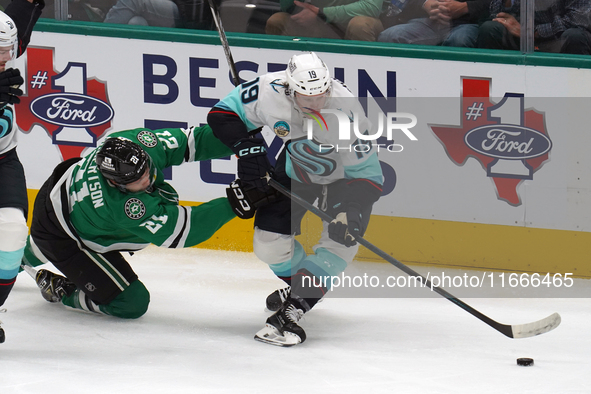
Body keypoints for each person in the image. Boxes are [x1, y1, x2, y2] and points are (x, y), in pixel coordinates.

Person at [207, 52, 384, 346]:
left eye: (322, 95)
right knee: (267, 244)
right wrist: (247, 146)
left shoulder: (347, 110)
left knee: (343, 240)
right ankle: (304, 288)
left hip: (345, 179)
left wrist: (350, 211)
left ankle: (298, 304)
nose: (316, 104)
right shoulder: (268, 90)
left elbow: (368, 175)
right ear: (290, 89)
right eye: (307, 98)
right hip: (296, 170)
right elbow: (222, 113)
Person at [22, 125, 243, 319]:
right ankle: (63, 291)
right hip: (62, 235)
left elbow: (194, 141)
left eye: (145, 168)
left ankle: (21, 256)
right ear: (115, 183)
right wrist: (236, 202)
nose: (146, 177)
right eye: (136, 180)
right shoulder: (121, 207)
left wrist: (240, 138)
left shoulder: (135, 143)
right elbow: (184, 230)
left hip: (64, 199)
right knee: (130, 303)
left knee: (28, 253)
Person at [0, 0, 44, 344]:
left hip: (4, 162)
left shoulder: (6, 44)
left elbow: (23, 11)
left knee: (13, 232)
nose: (5, 58)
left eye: (8, 51)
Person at [476, 0, 591, 54]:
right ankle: (495, 88)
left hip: (558, 37)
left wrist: (533, 32)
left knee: (574, 36)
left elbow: (578, 20)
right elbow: (495, 13)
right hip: (521, 35)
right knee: (490, 29)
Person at [378, 0, 490, 47]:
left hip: (470, 23)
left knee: (459, 39)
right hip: (430, 22)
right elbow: (405, 4)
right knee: (390, 36)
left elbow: (500, 4)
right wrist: (425, 4)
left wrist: (466, 7)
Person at [265, 0, 389, 41]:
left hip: (353, 23)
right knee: (278, 20)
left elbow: (371, 7)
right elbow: (287, 7)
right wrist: (299, 8)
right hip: (319, 21)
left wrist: (322, 13)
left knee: (360, 25)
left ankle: (366, 73)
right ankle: (283, 81)